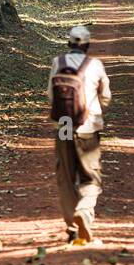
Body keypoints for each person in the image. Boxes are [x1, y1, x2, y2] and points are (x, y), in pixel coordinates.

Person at [48, 24, 112, 245]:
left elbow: (50, 96)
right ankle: (84, 211)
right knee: (91, 176)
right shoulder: (95, 65)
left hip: (64, 125)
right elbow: (106, 97)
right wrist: (96, 109)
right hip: (87, 127)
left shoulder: (58, 63)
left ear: (68, 44)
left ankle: (72, 228)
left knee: (65, 178)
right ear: (88, 45)